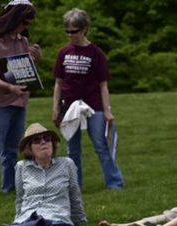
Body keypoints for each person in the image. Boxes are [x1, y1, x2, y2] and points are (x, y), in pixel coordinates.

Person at [50, 8, 123, 190]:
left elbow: (103, 85)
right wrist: (56, 109)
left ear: (84, 29)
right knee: (72, 149)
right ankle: (76, 185)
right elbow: (59, 83)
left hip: (93, 104)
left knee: (101, 145)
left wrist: (107, 111)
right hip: (69, 105)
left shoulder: (96, 53)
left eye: (73, 31)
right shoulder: (64, 52)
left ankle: (115, 183)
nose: (70, 35)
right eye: (67, 31)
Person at [0, 123, 86, 226]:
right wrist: (18, 219)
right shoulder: (21, 167)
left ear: (52, 143)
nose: (43, 142)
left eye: (47, 138)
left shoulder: (67, 164)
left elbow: (75, 195)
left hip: (57, 219)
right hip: (27, 220)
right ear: (29, 148)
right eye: (37, 140)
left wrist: (80, 220)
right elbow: (20, 198)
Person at [0, 0, 41, 197]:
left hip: (19, 103)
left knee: (12, 150)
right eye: (25, 22)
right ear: (14, 19)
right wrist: (8, 87)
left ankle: (10, 188)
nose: (26, 27)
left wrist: (36, 58)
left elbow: (26, 71)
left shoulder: (22, 41)